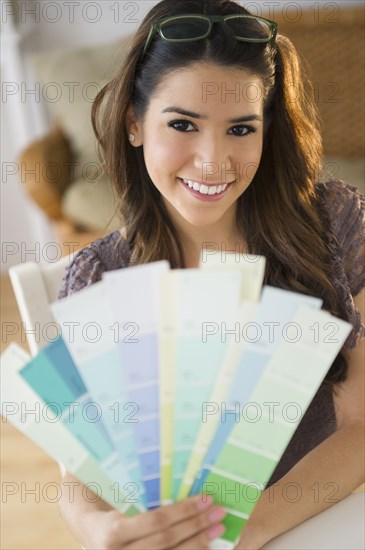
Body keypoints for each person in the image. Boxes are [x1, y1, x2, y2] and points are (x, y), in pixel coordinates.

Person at [57, 0, 365, 548]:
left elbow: (363, 417)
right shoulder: (100, 280)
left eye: (240, 129)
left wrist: (250, 526)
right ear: (134, 123)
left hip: (330, 518)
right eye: (183, 124)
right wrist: (98, 527)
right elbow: (81, 470)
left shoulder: (331, 224)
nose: (212, 161)